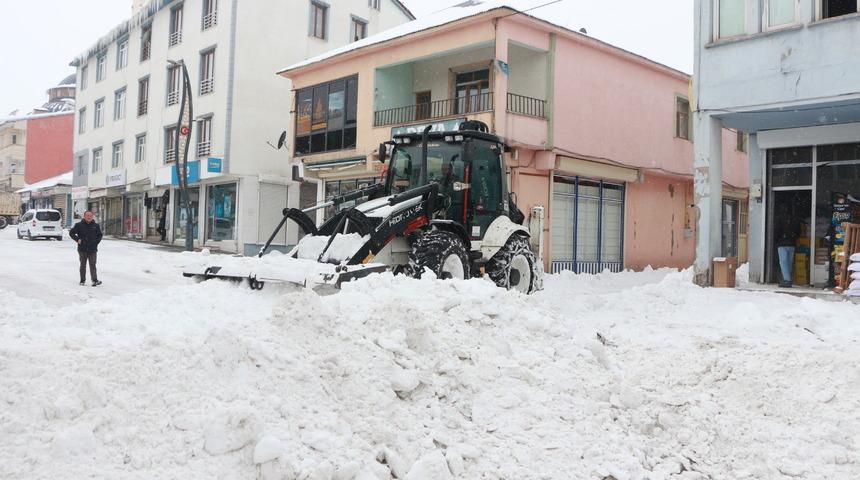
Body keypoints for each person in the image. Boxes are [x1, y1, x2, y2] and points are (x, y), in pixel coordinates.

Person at [69, 211, 103, 286]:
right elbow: (71, 233)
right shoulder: (79, 225)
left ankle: (94, 280)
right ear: (84, 216)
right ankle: (82, 280)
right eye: (87, 215)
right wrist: (77, 239)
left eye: (90, 215)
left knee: (93, 264)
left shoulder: (96, 225)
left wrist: (96, 242)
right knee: (83, 265)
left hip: (92, 249)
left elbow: (100, 235)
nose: (89, 217)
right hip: (82, 248)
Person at [774, 207, 799, 288]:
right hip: (791, 244)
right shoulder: (794, 219)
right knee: (789, 263)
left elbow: (776, 231)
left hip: (782, 244)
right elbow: (798, 232)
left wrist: (776, 240)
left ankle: (787, 280)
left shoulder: (779, 219)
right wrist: (793, 236)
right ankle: (788, 279)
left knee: (783, 262)